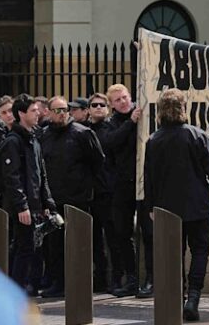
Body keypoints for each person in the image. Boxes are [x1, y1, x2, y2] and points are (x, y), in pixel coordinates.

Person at [144, 89, 209, 322]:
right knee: (199, 251)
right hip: (196, 205)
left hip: (166, 208)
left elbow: (149, 178)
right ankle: (193, 298)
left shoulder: (153, 140)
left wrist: (150, 206)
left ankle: (176, 298)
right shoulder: (197, 135)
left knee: (173, 254)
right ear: (183, 108)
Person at [40, 96, 105, 297]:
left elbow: (98, 162)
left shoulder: (83, 133)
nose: (61, 113)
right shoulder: (44, 135)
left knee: (78, 243)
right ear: (49, 112)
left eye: (64, 109)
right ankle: (58, 282)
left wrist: (86, 187)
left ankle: (80, 282)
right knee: (54, 244)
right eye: (56, 110)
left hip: (78, 199)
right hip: (53, 199)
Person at [0, 94, 57, 291]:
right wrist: (21, 206)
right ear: (21, 114)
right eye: (33, 110)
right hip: (22, 206)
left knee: (29, 248)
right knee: (24, 249)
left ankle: (22, 287)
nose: (38, 113)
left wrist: (47, 203)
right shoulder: (13, 141)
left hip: (34, 205)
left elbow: (41, 174)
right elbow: (12, 177)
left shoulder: (34, 139)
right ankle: (15, 290)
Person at [103, 84, 152, 298]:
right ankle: (131, 278)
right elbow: (110, 143)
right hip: (122, 184)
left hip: (144, 182)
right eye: (118, 100)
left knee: (148, 232)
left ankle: (151, 278)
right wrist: (130, 123)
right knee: (122, 233)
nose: (123, 102)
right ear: (111, 104)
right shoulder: (111, 124)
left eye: (125, 98)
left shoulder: (144, 114)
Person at [88, 93, 122, 292]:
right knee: (94, 240)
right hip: (91, 192)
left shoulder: (111, 129)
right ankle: (99, 278)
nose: (99, 107)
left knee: (113, 237)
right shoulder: (84, 130)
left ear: (108, 108)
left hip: (108, 191)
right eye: (95, 105)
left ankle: (117, 278)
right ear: (89, 109)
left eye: (102, 104)